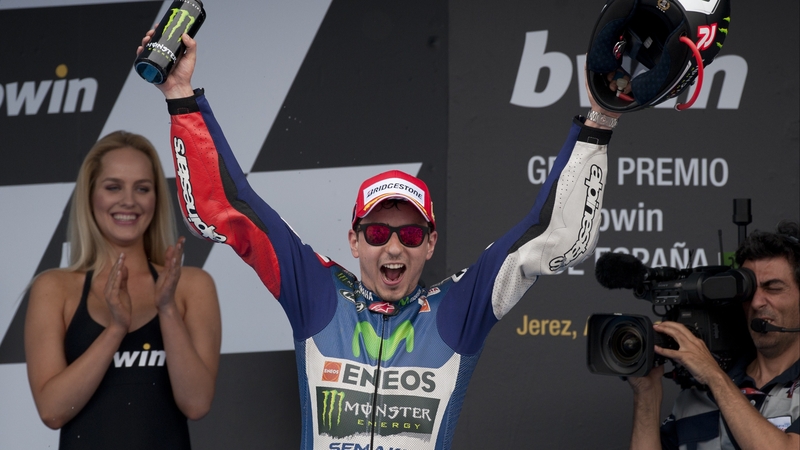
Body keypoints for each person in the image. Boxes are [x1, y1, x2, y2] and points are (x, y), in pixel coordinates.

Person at [138, 30, 622, 450]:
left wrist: (599, 119)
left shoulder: (459, 308)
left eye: (411, 233)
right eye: (377, 232)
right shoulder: (318, 292)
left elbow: (552, 237)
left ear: (430, 244)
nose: (394, 248)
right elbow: (230, 209)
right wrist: (180, 94)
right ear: (354, 240)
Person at [24, 131, 222, 450]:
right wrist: (116, 329)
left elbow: (196, 404)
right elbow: (52, 411)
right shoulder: (53, 289)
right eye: (113, 186)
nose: (128, 200)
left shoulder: (192, 287)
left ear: (155, 198)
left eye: (142, 188)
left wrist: (167, 309)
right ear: (91, 196)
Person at [628, 221, 800, 450]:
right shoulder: (698, 394)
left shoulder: (712, 378)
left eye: (773, 288)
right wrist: (647, 395)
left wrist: (713, 375)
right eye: (749, 291)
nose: (757, 302)